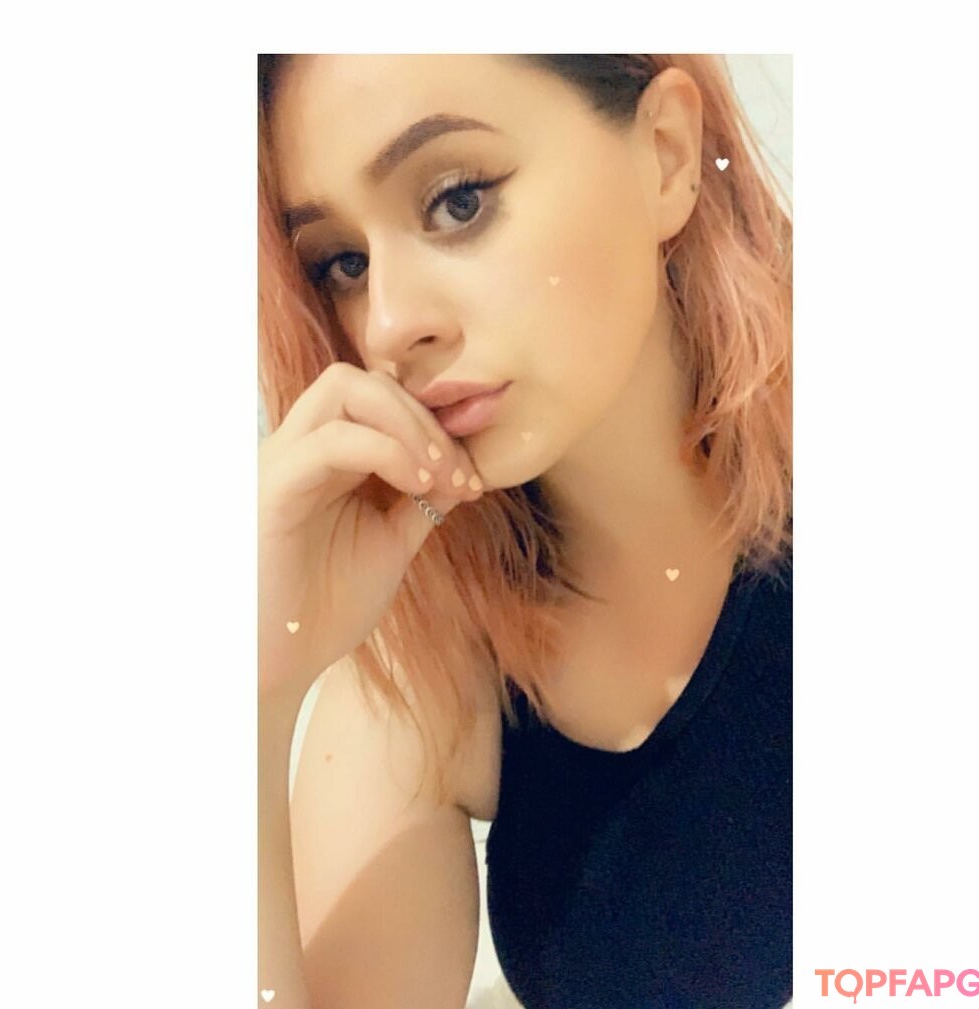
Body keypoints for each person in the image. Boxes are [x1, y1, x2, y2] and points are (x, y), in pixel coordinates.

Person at [257, 54, 792, 1009]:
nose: (387, 326)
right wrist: (251, 689)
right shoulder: (428, 679)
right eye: (344, 263)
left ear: (667, 155)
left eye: (457, 200)